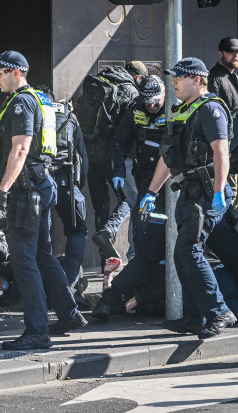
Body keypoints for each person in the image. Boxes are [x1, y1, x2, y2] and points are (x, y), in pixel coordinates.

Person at [0, 50, 87, 349]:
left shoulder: (21, 103)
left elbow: (20, 149)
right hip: (40, 187)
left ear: (16, 72)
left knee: (23, 260)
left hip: (26, 192)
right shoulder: (34, 99)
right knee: (42, 255)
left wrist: (3, 190)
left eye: (0, 72)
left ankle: (37, 332)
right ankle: (69, 314)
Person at [141, 58, 237, 339]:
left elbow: (221, 153)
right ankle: (195, 318)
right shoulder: (183, 111)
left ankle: (219, 311)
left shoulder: (211, 109)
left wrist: (219, 192)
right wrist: (150, 192)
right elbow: (167, 158)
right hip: (189, 193)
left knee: (188, 251)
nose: (173, 83)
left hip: (208, 193)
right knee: (181, 255)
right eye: (173, 78)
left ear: (197, 80)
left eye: (179, 78)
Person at [92, 75, 168, 320]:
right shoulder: (136, 108)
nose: (152, 107)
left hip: (170, 185)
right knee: (144, 236)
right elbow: (119, 142)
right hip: (146, 179)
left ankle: (140, 294)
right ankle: (124, 294)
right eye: (147, 102)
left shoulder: (174, 109)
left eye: (155, 102)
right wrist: (117, 171)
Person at [84, 61, 146, 268]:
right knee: (130, 199)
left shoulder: (97, 82)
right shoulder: (129, 90)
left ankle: (105, 265)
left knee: (101, 207)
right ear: (138, 77)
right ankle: (109, 231)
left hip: (90, 156)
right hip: (113, 158)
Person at [34, 85, 89, 305]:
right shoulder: (70, 117)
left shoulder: (32, 113)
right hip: (66, 182)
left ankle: (47, 288)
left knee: (42, 240)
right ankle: (67, 282)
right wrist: (78, 187)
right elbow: (81, 157)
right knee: (77, 231)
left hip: (39, 184)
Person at [208, 37, 238, 208]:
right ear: (221, 53)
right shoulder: (214, 78)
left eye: (237, 52)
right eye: (231, 51)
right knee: (229, 202)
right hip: (228, 153)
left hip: (233, 151)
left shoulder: (233, 78)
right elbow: (214, 118)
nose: (235, 55)